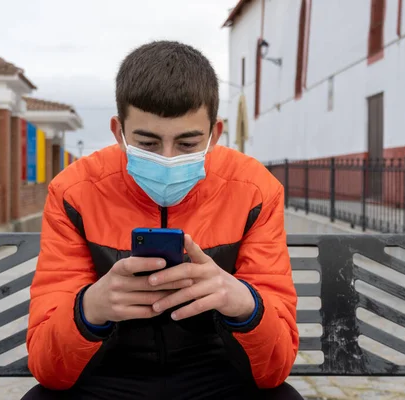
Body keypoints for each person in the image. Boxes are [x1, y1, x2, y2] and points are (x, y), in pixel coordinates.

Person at [22, 41, 302, 400]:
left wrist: (245, 304)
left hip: (219, 371)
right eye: (148, 143)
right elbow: (49, 370)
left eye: (187, 144)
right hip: (107, 370)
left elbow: (274, 371)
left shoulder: (255, 190)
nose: (168, 159)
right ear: (118, 132)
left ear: (215, 134)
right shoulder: (74, 192)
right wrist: (89, 309)